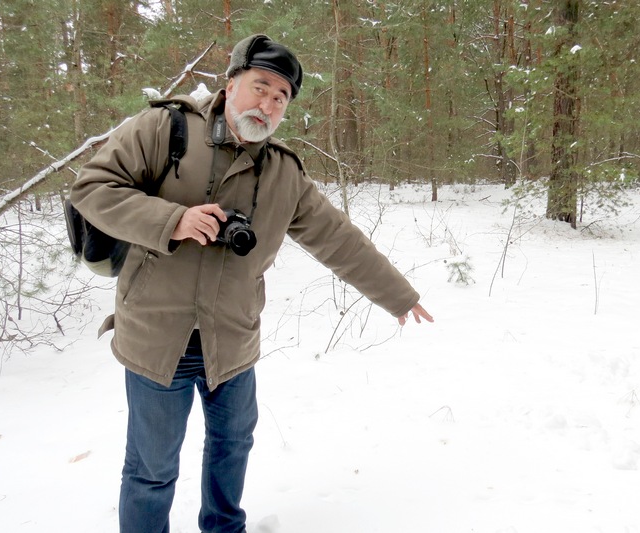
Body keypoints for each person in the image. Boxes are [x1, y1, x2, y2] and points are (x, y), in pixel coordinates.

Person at [70, 34, 433, 533]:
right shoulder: (164, 129)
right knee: (152, 470)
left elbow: (339, 240)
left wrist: (398, 295)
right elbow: (91, 188)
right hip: (156, 339)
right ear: (231, 82)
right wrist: (170, 221)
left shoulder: (284, 173)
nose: (267, 104)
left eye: (280, 98)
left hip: (232, 342)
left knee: (231, 450)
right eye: (260, 87)